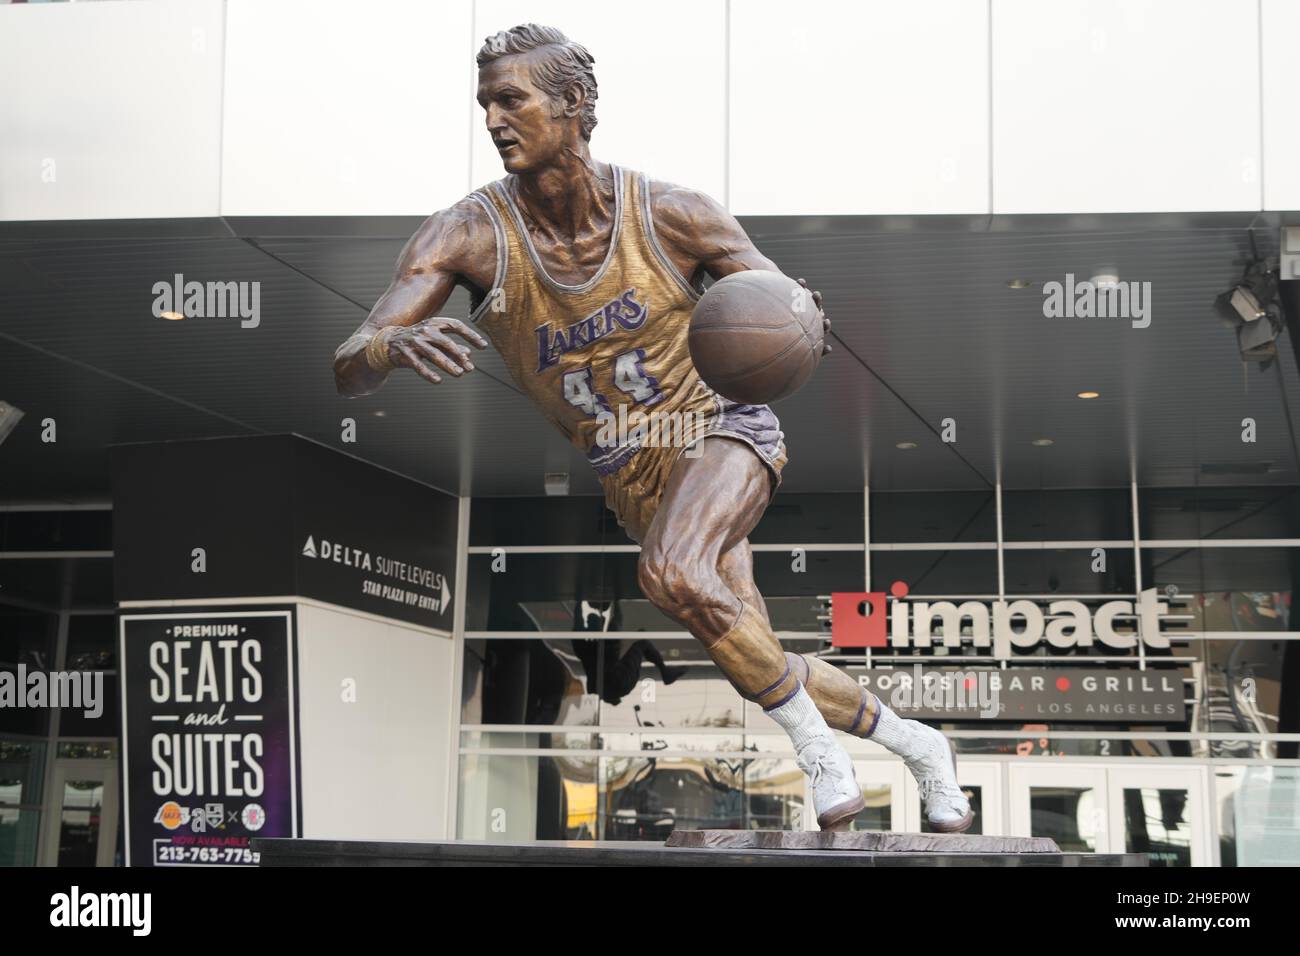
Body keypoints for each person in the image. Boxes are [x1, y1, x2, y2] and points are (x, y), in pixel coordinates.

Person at [333, 22, 971, 832]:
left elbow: (782, 309)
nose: (493, 120)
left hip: (719, 430)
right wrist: (390, 343)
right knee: (751, 651)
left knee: (669, 572)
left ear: (574, 106)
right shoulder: (466, 233)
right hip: (632, 474)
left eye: (512, 100)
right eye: (485, 104)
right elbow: (346, 364)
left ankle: (818, 753)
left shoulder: (671, 214)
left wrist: (801, 315)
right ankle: (919, 746)